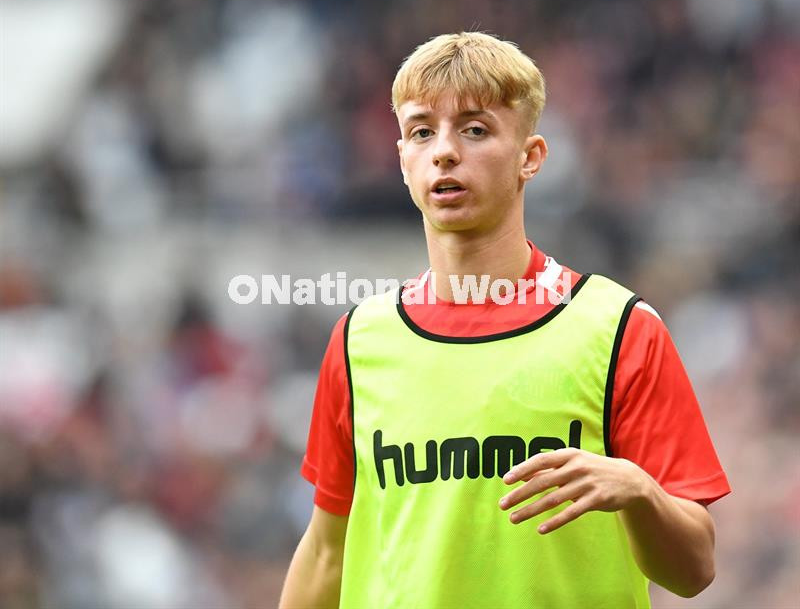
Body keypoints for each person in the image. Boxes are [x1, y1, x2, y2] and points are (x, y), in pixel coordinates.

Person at [279, 31, 730, 608]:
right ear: (402, 160)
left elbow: (694, 571)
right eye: (422, 131)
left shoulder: (618, 329)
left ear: (530, 157)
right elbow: (327, 553)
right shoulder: (358, 340)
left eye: (474, 129)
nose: (444, 151)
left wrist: (641, 492)